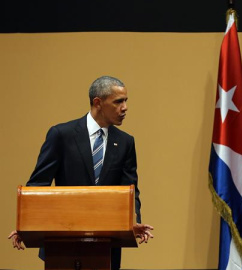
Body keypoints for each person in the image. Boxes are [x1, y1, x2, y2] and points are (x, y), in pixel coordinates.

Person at [7, 76, 154, 270]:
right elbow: (37, 184)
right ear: (98, 103)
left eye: (126, 101)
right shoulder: (61, 135)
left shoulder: (126, 142)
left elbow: (130, 190)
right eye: (118, 101)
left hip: (106, 245)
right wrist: (24, 226)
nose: (125, 107)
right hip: (62, 243)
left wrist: (133, 222)